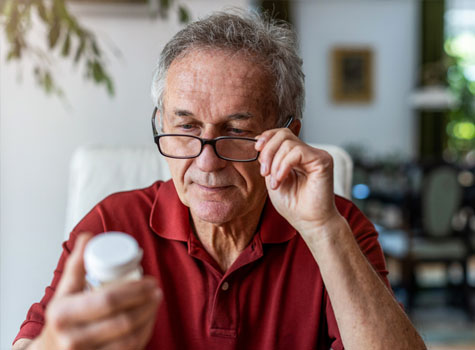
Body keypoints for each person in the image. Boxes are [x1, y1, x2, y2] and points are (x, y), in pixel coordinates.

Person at [13, 10, 426, 350]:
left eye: (238, 132)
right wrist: (53, 343)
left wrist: (323, 231)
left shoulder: (341, 229)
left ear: (288, 135)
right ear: (161, 125)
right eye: (186, 127)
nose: (207, 162)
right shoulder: (112, 224)